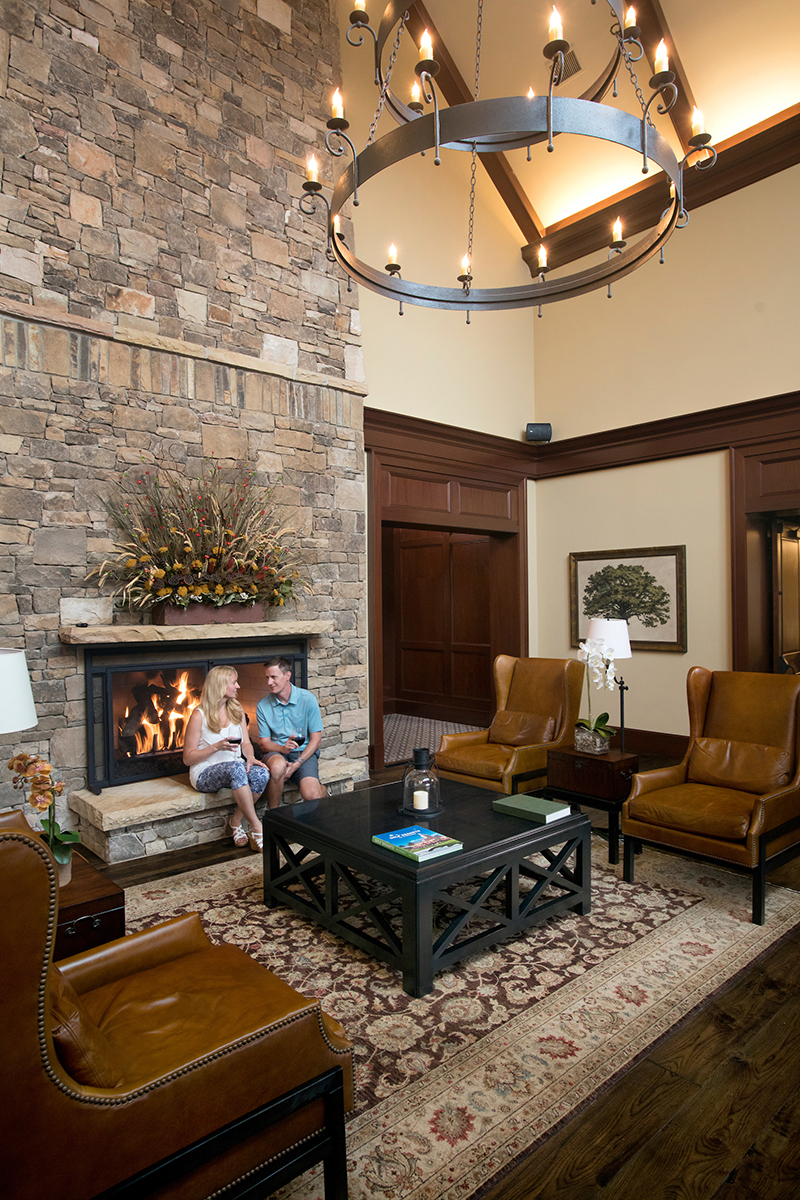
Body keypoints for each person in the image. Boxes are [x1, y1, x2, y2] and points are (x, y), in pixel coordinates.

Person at [183, 665, 268, 851]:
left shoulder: (236, 709)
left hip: (235, 767)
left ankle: (236, 821)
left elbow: (246, 743)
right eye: (234, 682)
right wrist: (216, 747)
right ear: (220, 686)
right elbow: (187, 759)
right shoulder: (199, 716)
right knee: (236, 768)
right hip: (204, 772)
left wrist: (250, 757)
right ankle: (256, 826)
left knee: (261, 774)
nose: (238, 686)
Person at [256, 656, 327, 808]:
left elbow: (316, 740)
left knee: (312, 795)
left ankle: (324, 792)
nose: (269, 682)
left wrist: (296, 764)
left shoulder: (307, 699)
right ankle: (274, 813)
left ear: (287, 675)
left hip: (303, 754)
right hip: (277, 752)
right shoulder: (263, 705)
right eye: (267, 677)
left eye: (273, 677)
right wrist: (283, 748)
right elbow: (264, 744)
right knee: (277, 767)